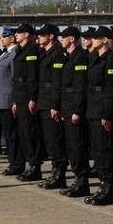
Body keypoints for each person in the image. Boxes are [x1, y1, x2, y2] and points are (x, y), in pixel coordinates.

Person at [84, 26, 113, 205]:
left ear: (105, 40)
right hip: (93, 109)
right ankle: (101, 186)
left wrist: (107, 114)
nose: (94, 39)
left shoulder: (111, 61)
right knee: (98, 151)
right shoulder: (94, 58)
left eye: (97, 37)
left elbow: (112, 90)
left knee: (106, 150)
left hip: (103, 111)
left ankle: (109, 189)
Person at [59, 26, 91, 198]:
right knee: (71, 146)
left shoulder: (79, 58)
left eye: (64, 37)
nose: (61, 40)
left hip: (74, 109)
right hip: (67, 108)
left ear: (72, 39)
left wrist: (77, 110)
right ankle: (77, 180)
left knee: (78, 146)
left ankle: (82, 182)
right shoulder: (69, 57)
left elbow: (80, 87)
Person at [36, 24, 68, 188]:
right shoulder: (45, 54)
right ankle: (54, 172)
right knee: (49, 140)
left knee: (55, 139)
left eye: (43, 34)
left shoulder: (57, 55)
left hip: (51, 102)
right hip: (44, 100)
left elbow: (57, 82)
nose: (39, 37)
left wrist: (55, 105)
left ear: (51, 37)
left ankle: (60, 174)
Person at [0, 27, 24, 176]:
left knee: (12, 134)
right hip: (0, 99)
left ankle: (16, 164)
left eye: (4, 36)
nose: (1, 38)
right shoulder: (6, 53)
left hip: (8, 99)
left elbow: (15, 79)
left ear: (12, 38)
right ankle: (13, 162)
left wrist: (15, 100)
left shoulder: (15, 54)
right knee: (7, 133)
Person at [11, 23, 43, 181]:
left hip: (27, 97)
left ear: (28, 35)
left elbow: (32, 77)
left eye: (20, 32)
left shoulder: (32, 51)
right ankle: (29, 163)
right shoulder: (20, 51)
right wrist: (16, 101)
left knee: (31, 133)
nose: (16, 34)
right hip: (20, 97)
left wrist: (32, 97)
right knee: (24, 133)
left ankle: (35, 166)